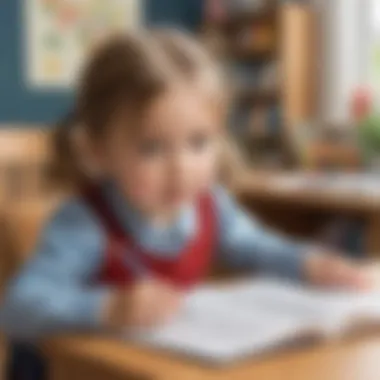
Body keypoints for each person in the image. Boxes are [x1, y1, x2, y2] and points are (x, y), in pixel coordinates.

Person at [0, 29, 373, 379]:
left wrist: (313, 265)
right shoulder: (86, 222)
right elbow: (17, 307)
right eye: (151, 148)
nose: (181, 169)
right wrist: (108, 308)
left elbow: (258, 248)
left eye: (198, 142)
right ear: (99, 151)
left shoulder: (210, 205)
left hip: (151, 365)